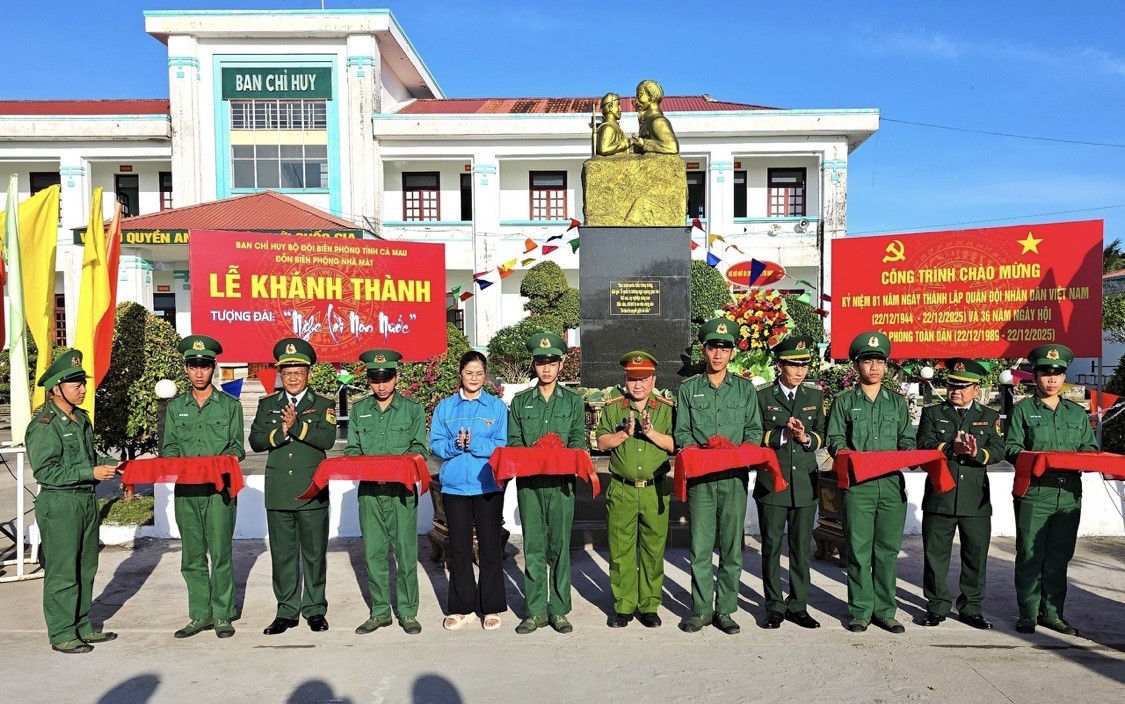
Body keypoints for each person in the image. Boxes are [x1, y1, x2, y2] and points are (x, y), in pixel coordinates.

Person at [25, 350, 119, 654]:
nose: (82, 388)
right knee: (63, 569)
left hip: (85, 500)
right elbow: (46, 470)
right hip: (60, 503)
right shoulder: (44, 423)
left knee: (85, 566)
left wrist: (109, 464)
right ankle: (62, 633)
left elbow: (88, 457)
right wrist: (89, 471)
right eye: (75, 384)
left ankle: (82, 625)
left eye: (83, 383)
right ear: (56, 389)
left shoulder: (80, 418)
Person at [674, 318, 762, 634]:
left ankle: (725, 610)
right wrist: (701, 449)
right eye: (713, 348)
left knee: (731, 548)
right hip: (702, 479)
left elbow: (753, 430)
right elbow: (681, 431)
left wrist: (739, 452)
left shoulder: (744, 389)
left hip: (734, 478)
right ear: (704, 350)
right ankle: (700, 610)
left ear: (731, 353)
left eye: (724, 349)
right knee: (699, 547)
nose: (718, 354)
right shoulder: (689, 390)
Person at [1005, 344, 1098, 636]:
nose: (1052, 379)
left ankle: (1053, 614)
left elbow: (1090, 448)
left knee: (1059, 556)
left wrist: (1086, 458)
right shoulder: (1022, 411)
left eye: (1057, 373)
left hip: (1069, 492)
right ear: (1035, 375)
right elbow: (1011, 448)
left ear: (1064, 376)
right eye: (1046, 372)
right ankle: (1028, 614)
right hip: (1035, 492)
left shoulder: (1076, 413)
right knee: (1030, 554)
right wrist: (1038, 460)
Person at [826, 331, 915, 634]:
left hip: (890, 485)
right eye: (867, 361)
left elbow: (907, 439)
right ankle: (861, 610)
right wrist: (847, 454)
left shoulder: (897, 404)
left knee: (887, 551)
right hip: (858, 486)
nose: (874, 367)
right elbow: (835, 439)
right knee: (859, 550)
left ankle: (886, 611)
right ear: (857, 365)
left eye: (879, 362)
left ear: (886, 366)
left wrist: (907, 454)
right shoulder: (844, 401)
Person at [248, 338, 337, 635]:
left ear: (308, 373)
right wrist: (281, 432)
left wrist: (297, 426)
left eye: (298, 371)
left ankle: (314, 609)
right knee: (283, 555)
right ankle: (286, 610)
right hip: (279, 492)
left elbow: (326, 440)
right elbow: (256, 441)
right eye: (287, 373)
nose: (293, 377)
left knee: (313, 554)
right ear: (279, 375)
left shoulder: (322, 404)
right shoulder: (268, 404)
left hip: (311, 490)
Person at [162, 335, 246, 639]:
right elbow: (170, 446)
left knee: (221, 553)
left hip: (218, 491)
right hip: (187, 491)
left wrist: (221, 462)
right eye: (193, 366)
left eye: (205, 366)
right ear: (186, 369)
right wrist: (175, 463)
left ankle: (223, 614)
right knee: (192, 555)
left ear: (213, 368)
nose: (199, 372)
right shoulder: (176, 408)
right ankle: (199, 615)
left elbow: (238, 448)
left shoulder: (229, 406)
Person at [344, 348, 429, 635]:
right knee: (374, 554)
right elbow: (353, 449)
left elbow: (419, 448)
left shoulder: (412, 409)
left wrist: (396, 464)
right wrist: (367, 462)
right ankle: (380, 611)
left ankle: (407, 612)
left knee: (406, 554)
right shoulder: (359, 410)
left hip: (401, 492)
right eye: (375, 379)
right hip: (370, 492)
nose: (381, 385)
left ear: (396, 377)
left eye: (386, 378)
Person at [915, 358, 1004, 630]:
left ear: (976, 389)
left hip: (974, 500)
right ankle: (936, 606)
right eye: (952, 384)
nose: (956, 390)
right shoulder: (933, 413)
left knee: (975, 556)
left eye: (964, 386)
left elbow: (999, 451)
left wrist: (977, 453)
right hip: (940, 496)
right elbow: (923, 446)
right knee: (934, 555)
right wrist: (950, 448)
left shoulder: (988, 416)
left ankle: (971, 608)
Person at [508, 331, 587, 634]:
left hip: (561, 484)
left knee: (559, 546)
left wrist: (560, 452)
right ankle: (535, 610)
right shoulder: (520, 402)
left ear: (561, 364)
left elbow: (578, 440)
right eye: (541, 362)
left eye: (552, 362)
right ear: (534, 365)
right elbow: (514, 441)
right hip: (530, 483)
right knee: (534, 546)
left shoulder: (573, 401)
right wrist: (535, 452)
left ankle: (560, 609)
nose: (546, 368)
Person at [595, 351, 675, 628]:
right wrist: (625, 434)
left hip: (655, 490)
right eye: (632, 379)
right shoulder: (614, 407)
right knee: (621, 550)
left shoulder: (666, 408)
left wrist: (651, 433)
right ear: (624, 379)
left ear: (654, 379)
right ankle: (624, 604)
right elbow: (601, 442)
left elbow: (675, 444)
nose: (637, 385)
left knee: (653, 550)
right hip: (622, 490)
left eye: (643, 379)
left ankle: (650, 604)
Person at [430, 351, 509, 631]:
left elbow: (502, 445)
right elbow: (436, 444)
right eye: (468, 373)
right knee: (460, 549)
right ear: (460, 375)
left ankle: (491, 606)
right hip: (454, 488)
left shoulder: (497, 408)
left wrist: (474, 445)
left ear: (485, 376)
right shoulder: (446, 408)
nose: (474, 378)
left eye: (479, 373)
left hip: (487, 485)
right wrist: (454, 446)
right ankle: (462, 607)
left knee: (489, 548)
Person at [756, 335, 824, 630]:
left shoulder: (814, 397)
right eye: (793, 365)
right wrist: (782, 434)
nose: (799, 371)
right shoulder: (762, 397)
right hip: (773, 482)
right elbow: (754, 435)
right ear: (779, 365)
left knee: (801, 548)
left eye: (804, 365)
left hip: (805, 484)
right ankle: (774, 605)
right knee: (771, 546)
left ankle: (798, 605)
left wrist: (805, 437)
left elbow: (823, 435)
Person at [630, 79, 679, 155]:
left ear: (651, 96)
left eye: (639, 96)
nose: (636, 102)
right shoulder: (647, 121)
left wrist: (644, 143)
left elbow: (672, 146)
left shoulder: (658, 121)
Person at [595, 92, 631, 156]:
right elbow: (604, 149)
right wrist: (623, 144)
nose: (620, 109)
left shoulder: (614, 127)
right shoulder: (608, 128)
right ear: (610, 107)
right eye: (618, 105)